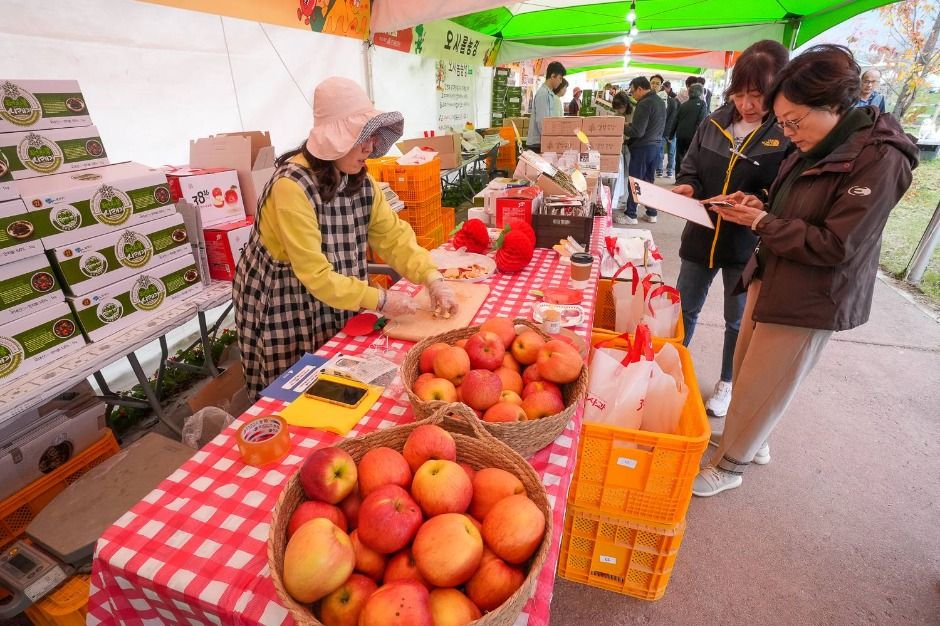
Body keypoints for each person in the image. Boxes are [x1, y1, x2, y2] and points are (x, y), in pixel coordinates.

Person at [693, 44, 918, 496]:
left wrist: (762, 222)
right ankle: (748, 441)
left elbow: (838, 243)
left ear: (834, 105)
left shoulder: (880, 157)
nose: (788, 132)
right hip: (774, 269)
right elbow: (792, 201)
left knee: (768, 378)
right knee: (748, 368)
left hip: (813, 291)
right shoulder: (816, 143)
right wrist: (760, 204)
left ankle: (730, 465)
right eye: (782, 122)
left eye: (794, 121)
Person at [233, 77, 457, 399]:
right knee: (292, 391)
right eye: (361, 137)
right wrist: (381, 300)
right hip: (285, 301)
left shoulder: (360, 181)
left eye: (372, 137)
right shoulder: (291, 187)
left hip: (337, 293)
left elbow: (393, 237)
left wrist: (432, 278)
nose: (370, 147)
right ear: (333, 140)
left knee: (337, 379)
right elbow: (315, 275)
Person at [671, 39, 791, 421]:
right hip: (701, 235)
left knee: (737, 319)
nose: (746, 105)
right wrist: (688, 187)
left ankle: (727, 381)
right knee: (683, 309)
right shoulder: (713, 123)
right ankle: (672, 369)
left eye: (756, 96)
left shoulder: (785, 133)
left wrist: (761, 201)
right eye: (740, 94)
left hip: (746, 243)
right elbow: (690, 168)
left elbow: (786, 189)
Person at [617, 76, 665, 225]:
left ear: (639, 89)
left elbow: (638, 131)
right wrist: (631, 125)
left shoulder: (644, 103)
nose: (632, 95)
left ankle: (630, 214)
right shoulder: (659, 101)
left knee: (635, 181)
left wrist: (622, 126)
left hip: (643, 148)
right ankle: (652, 213)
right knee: (647, 181)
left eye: (633, 91)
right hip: (655, 146)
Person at [527, 61, 566, 152]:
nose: (561, 82)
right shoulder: (543, 94)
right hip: (539, 143)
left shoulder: (549, 93)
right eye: (560, 78)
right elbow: (542, 122)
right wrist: (550, 139)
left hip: (544, 141)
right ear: (552, 76)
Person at [672, 83, 708, 169]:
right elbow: (701, 121)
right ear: (700, 93)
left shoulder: (683, 104)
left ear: (689, 93)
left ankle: (678, 175)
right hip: (693, 135)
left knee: (679, 156)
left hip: (680, 134)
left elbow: (676, 120)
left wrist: (671, 135)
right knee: (691, 158)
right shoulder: (702, 104)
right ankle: (686, 175)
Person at [612, 91, 635, 209]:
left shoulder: (635, 112)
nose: (619, 111)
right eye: (617, 109)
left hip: (631, 145)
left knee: (631, 173)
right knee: (622, 172)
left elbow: (637, 129)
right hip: (621, 146)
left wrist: (627, 125)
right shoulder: (617, 113)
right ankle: (622, 198)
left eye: (620, 108)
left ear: (626, 105)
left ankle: (631, 200)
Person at [659, 90, 679, 178]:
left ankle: (659, 171)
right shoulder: (675, 103)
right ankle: (670, 171)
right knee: (671, 153)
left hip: (663, 131)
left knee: (660, 152)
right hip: (673, 132)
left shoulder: (661, 104)